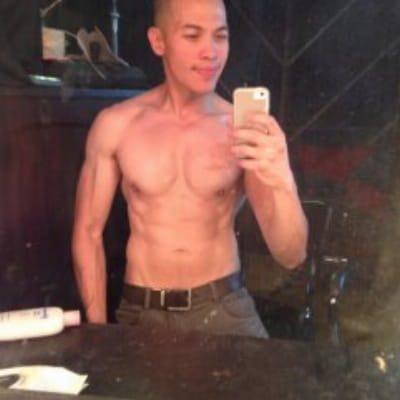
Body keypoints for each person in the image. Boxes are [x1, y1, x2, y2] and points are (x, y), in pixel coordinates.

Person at [72, 0, 308, 339]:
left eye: (220, 36)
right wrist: (97, 332)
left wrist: (283, 180)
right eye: (193, 35)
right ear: (158, 41)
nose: (210, 52)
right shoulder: (117, 125)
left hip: (223, 310)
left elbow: (291, 255)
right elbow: (88, 233)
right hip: (140, 311)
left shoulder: (242, 129)